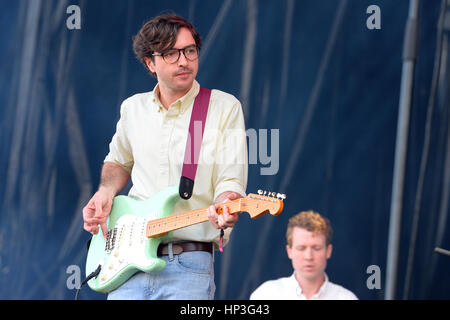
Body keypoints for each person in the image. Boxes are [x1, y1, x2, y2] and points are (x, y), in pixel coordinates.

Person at [82, 13, 248, 300]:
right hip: (127, 261)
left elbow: (230, 178)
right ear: (150, 62)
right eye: (171, 54)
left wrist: (227, 203)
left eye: (190, 50)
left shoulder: (223, 107)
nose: (184, 61)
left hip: (189, 264)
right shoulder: (133, 109)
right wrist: (105, 191)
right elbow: (118, 161)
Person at [250, 210, 358, 300]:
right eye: (301, 248)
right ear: (289, 251)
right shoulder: (265, 295)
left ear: (328, 251)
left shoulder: (346, 298)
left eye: (316, 248)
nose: (308, 257)